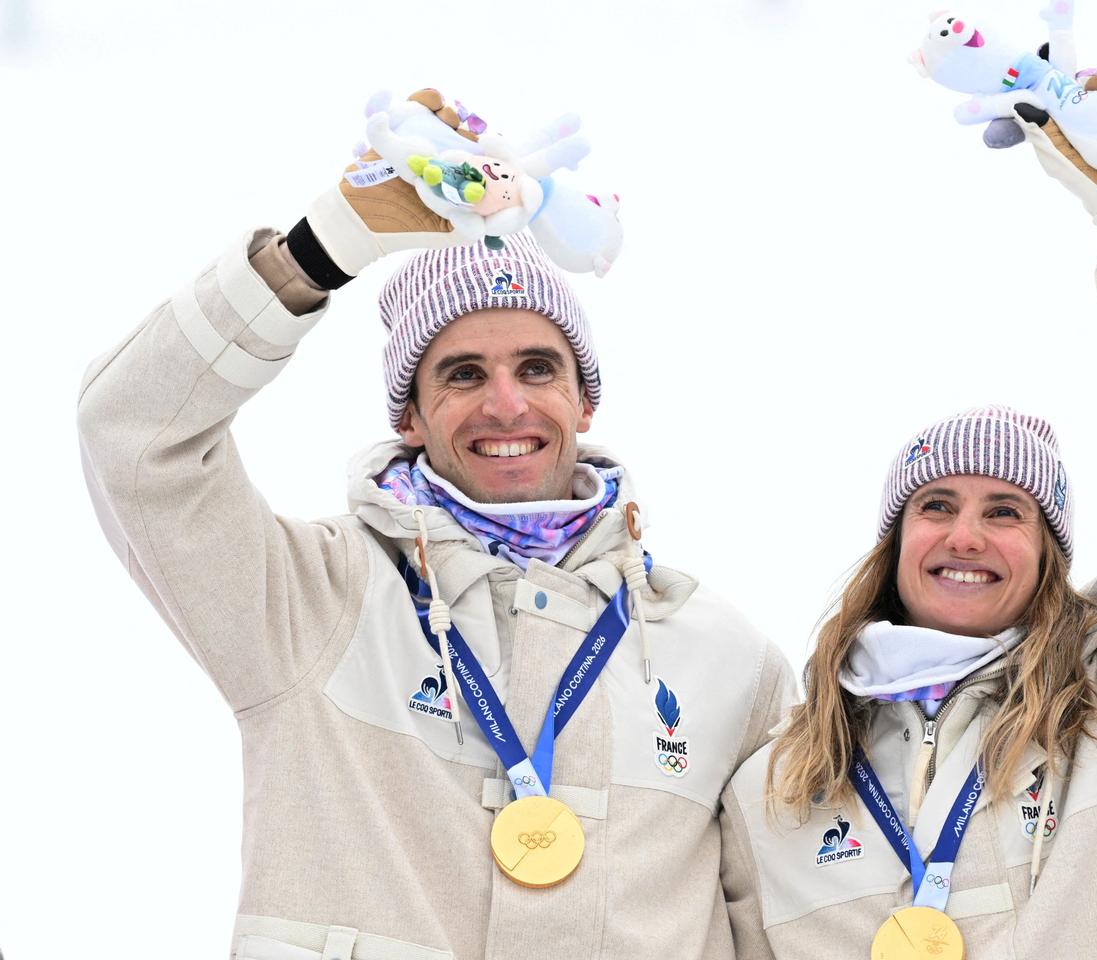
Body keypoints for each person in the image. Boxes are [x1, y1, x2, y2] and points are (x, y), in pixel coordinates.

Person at [77, 89, 794, 960]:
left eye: (538, 367)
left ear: (585, 398)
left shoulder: (725, 659)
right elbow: (134, 436)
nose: (506, 404)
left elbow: (781, 927)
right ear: (408, 416)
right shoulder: (312, 600)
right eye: (461, 374)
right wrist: (317, 253)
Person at [718, 105, 1097, 958]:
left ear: (1048, 556)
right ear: (895, 543)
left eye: (1005, 512)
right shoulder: (776, 783)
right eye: (936, 505)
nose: (967, 535)